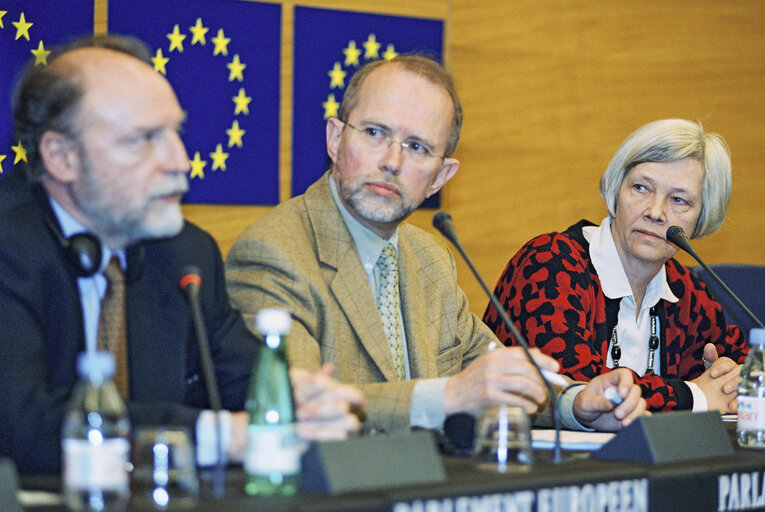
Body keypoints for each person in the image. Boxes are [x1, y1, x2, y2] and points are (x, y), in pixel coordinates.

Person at [225, 55, 646, 437]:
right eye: (375, 133)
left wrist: (578, 403)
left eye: (417, 147)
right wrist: (449, 396)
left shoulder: (430, 257)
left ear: (440, 178)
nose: (392, 161)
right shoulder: (273, 253)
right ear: (335, 139)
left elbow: (489, 369)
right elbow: (296, 409)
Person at [0, 35, 364, 474]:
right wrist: (220, 437)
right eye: (144, 139)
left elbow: (236, 376)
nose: (180, 161)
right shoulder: (9, 242)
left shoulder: (185, 253)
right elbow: (23, 427)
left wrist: (294, 394)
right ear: (61, 157)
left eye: (176, 132)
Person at [484, 119, 748, 413]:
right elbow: (576, 387)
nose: (655, 212)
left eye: (679, 200)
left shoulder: (687, 293)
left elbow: (749, 367)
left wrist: (730, 379)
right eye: (641, 188)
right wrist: (696, 395)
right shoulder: (550, 262)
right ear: (616, 190)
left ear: (702, 216)